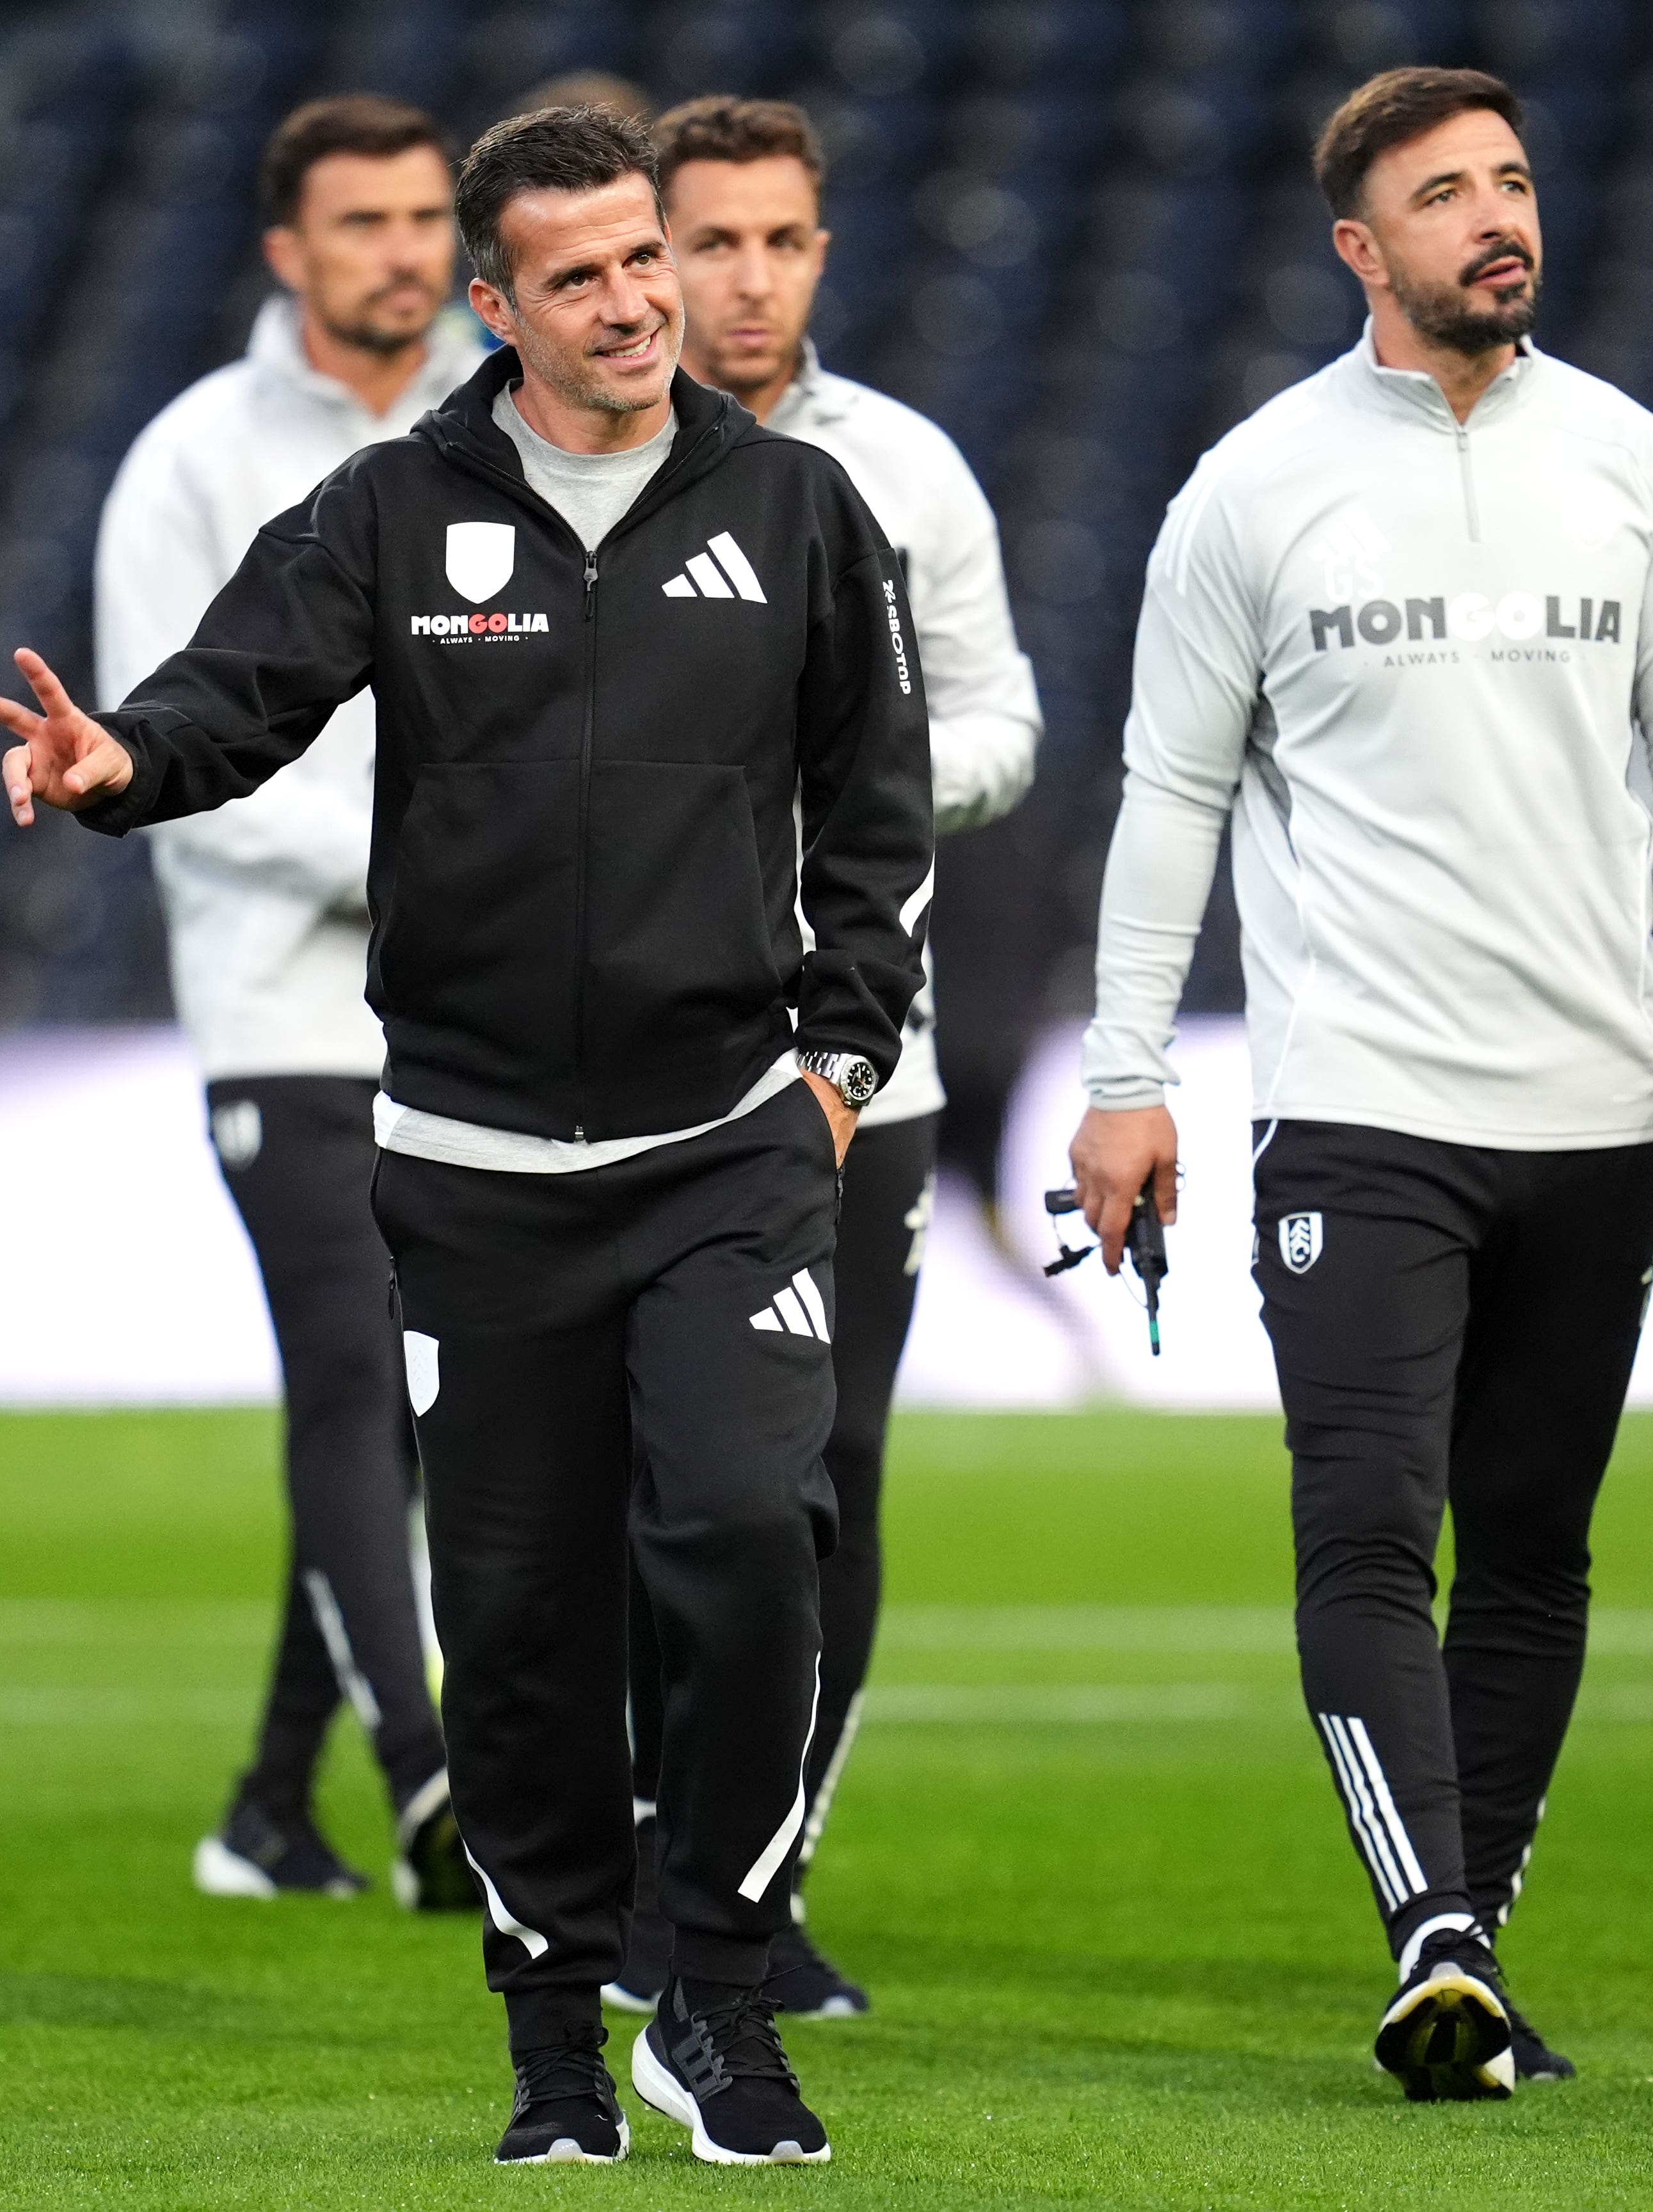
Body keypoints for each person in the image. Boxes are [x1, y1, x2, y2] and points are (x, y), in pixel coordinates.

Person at [0, 106, 930, 2170]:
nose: (632, 300)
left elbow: (877, 816)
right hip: (475, 1166)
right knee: (509, 1617)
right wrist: (115, 755)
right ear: (492, 307)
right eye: (574, 273)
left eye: (643, 257)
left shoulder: (799, 503)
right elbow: (232, 694)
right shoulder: (393, 505)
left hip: (723, 1150)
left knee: (753, 1537)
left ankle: (719, 1978)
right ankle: (552, 2034)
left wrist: (836, 1058)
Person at [1062, 68, 1653, 2101]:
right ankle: (1436, 1934)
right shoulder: (1253, 488)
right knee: (1368, 1525)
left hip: (1599, 1106)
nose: (1499, 217)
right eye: (1444, 193)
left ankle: (1469, 1939)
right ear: (1358, 251)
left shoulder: (1635, 464)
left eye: (1516, 181)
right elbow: (1169, 801)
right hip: (1359, 1101)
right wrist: (1129, 1078)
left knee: (1535, 1546)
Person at [596, 92, 1041, 2021]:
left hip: (870, 1076)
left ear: (821, 254)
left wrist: (860, 785)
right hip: (615, 1078)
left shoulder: (909, 471)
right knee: (644, 1484)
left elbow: (1009, 720)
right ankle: (625, 1871)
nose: (746, 278)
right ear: (645, 258)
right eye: (710, 242)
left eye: (781, 242)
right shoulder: (560, 470)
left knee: (820, 1489)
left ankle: (753, 1895)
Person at [95, 92, 486, 1913]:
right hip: (288, 1010)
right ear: (288, 251)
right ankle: (429, 1789)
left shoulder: (514, 411)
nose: (403, 252)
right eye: (364, 223)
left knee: (409, 1409)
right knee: (355, 1366)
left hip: (478, 1010)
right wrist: (443, 851)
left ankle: (269, 1803)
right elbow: (153, 740)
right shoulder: (191, 458)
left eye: (425, 219)